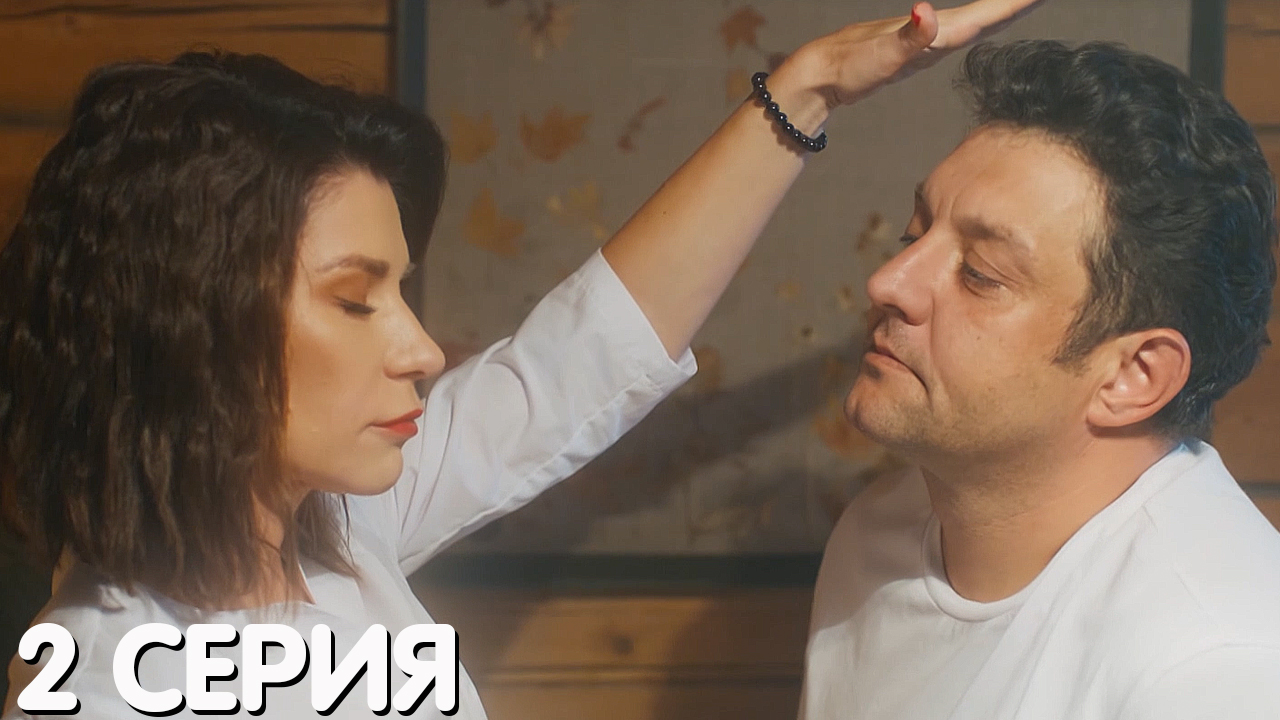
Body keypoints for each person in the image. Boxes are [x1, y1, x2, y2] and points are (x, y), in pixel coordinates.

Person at [0, 2, 1043, 718]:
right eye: (355, 300)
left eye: (400, 293)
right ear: (187, 328)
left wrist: (809, 89)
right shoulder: (103, 684)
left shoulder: (333, 526)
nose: (418, 349)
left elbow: (570, 364)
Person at [800, 39, 1280, 720]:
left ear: (1132, 376)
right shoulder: (875, 535)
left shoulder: (1214, 665)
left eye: (980, 275)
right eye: (914, 234)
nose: (888, 283)